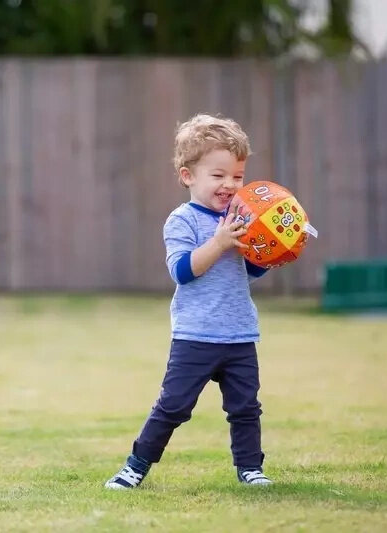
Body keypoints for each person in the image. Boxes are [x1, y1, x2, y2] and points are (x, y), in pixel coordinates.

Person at [104, 113, 273, 489]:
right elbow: (182, 271)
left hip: (239, 334)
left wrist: (271, 251)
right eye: (218, 176)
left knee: (245, 409)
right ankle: (135, 465)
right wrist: (220, 241)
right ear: (188, 176)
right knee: (173, 407)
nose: (230, 184)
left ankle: (251, 468)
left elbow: (250, 273)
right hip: (195, 336)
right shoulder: (182, 221)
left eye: (238, 176)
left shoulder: (242, 218)